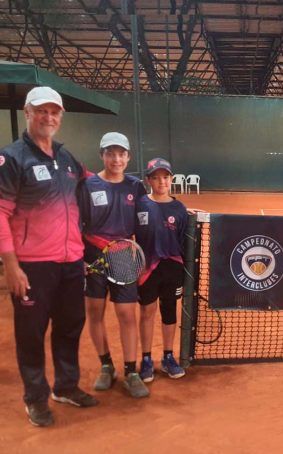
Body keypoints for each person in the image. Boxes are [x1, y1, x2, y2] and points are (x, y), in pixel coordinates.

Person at [0, 86, 98, 427]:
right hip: (32, 266)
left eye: (54, 112)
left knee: (70, 326)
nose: (49, 117)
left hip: (70, 262)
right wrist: (11, 265)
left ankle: (65, 387)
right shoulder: (12, 159)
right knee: (31, 333)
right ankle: (35, 397)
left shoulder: (67, 159)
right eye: (41, 110)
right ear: (27, 113)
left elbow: (91, 189)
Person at [78, 132, 150, 398]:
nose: (116, 159)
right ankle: (106, 366)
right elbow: (76, 223)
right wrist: (80, 258)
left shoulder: (136, 186)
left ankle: (131, 372)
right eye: (111, 153)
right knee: (94, 312)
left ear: (128, 157)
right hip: (92, 255)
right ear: (102, 155)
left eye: (121, 154)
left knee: (127, 314)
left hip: (123, 255)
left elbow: (147, 218)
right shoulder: (88, 185)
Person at [135, 158, 188, 382]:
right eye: (155, 178)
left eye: (165, 177)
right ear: (148, 180)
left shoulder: (180, 208)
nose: (161, 182)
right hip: (147, 269)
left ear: (171, 179)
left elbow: (184, 241)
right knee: (147, 312)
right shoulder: (140, 204)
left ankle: (168, 356)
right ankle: (146, 359)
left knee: (169, 311)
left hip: (173, 268)